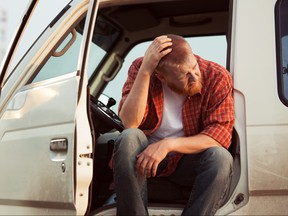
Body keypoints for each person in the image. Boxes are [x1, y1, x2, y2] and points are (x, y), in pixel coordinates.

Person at [112, 34, 234, 215]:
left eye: (194, 67)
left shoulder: (216, 76)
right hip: (144, 161)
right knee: (129, 137)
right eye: (185, 75)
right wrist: (145, 71)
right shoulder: (141, 69)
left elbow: (220, 134)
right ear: (161, 77)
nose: (194, 77)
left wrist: (168, 145)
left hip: (186, 161)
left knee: (221, 158)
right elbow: (130, 122)